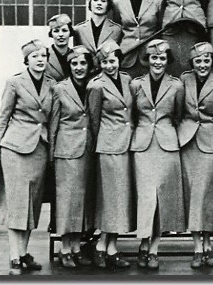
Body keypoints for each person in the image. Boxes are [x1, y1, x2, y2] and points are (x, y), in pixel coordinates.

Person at [0, 40, 55, 275]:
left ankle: (24, 253)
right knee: (17, 206)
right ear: (26, 60)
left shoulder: (52, 84)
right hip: (15, 149)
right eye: (35, 56)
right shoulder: (15, 82)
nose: (40, 60)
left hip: (39, 149)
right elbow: (4, 117)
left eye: (43, 56)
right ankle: (14, 256)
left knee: (32, 205)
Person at [129, 39, 185, 270]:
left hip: (166, 145)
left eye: (162, 58)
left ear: (167, 60)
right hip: (142, 145)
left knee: (161, 197)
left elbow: (179, 115)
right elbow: (131, 115)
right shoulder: (135, 84)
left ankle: (153, 248)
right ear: (147, 60)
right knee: (146, 197)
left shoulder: (176, 85)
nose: (158, 62)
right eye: (154, 58)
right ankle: (142, 243)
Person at [87, 40, 135, 269]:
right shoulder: (96, 86)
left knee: (121, 199)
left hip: (128, 146)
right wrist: (102, 143)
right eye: (105, 62)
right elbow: (93, 121)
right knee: (111, 200)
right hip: (109, 148)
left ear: (119, 60)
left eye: (113, 60)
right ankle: (102, 247)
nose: (109, 65)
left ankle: (110, 246)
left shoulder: (127, 81)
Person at [178, 42, 213, 269]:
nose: (202, 65)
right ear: (192, 63)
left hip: (210, 142)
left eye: (206, 61)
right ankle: (197, 246)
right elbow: (178, 112)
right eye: (198, 61)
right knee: (192, 194)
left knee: (207, 195)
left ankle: (208, 245)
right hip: (188, 143)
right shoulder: (183, 80)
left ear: (212, 62)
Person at [50, 46, 95, 268]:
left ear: (88, 65)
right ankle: (65, 248)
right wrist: (52, 155)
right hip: (66, 151)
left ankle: (77, 247)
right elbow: (54, 123)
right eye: (74, 64)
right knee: (67, 201)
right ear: (69, 66)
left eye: (82, 63)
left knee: (83, 201)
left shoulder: (94, 86)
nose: (79, 68)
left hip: (88, 150)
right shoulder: (60, 89)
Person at [114, 0, 163, 78]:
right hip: (126, 57)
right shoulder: (119, 2)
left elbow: (160, 30)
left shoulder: (157, 1)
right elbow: (116, 30)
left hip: (149, 57)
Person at [73, 0, 122, 73]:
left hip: (108, 72)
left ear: (108, 5)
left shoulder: (116, 29)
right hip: (86, 75)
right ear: (90, 4)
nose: (99, 3)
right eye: (95, 0)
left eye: (103, 1)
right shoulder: (79, 29)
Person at [46, 13, 73, 82]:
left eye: (64, 30)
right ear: (51, 34)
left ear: (70, 32)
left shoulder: (75, 56)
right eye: (56, 31)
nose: (60, 34)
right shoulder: (45, 55)